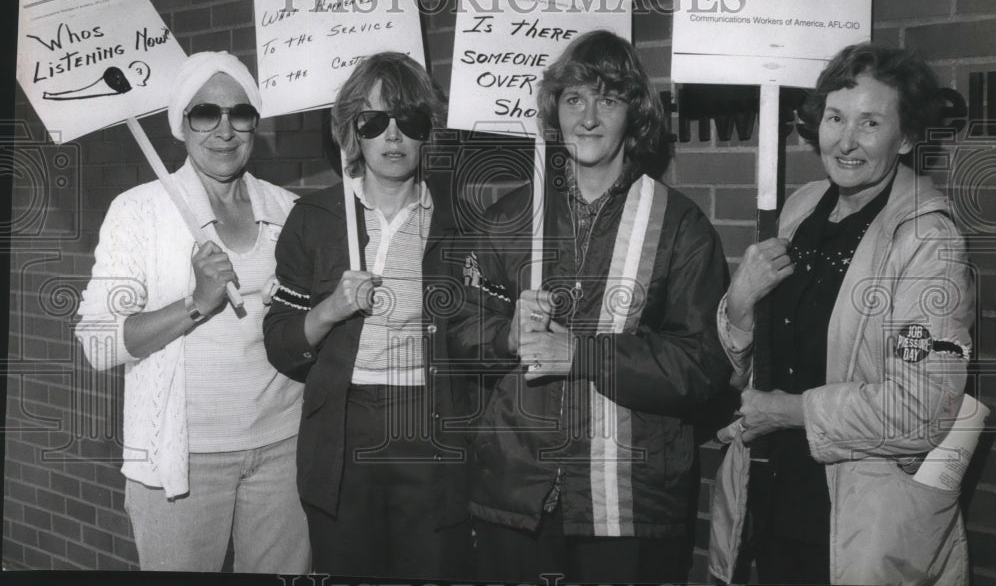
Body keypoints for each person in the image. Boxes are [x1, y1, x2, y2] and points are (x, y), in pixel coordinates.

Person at [451, 30, 732, 583]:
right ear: (555, 110)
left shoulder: (679, 226)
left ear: (635, 114)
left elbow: (703, 366)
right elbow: (457, 330)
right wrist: (506, 336)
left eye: (608, 99)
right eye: (574, 98)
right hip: (518, 496)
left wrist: (582, 355)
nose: (588, 117)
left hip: (629, 504)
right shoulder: (509, 218)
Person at [708, 44, 975, 585]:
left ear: (905, 138)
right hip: (770, 501)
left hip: (860, 527)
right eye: (835, 118)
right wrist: (738, 303)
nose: (845, 141)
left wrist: (784, 411)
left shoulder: (929, 242)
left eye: (870, 123)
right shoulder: (803, 206)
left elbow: (922, 409)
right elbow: (749, 360)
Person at [74, 52, 309, 572]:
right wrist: (195, 303)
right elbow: (97, 342)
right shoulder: (140, 212)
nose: (224, 130)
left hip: (283, 449)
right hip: (180, 458)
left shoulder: (287, 209)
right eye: (206, 113)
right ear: (181, 124)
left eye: (239, 113)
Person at [262, 52, 472, 579]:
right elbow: (282, 346)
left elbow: (479, 342)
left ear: (427, 133)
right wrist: (331, 309)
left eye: (409, 120)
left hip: (430, 426)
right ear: (353, 131)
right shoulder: (314, 219)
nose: (393, 135)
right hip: (343, 432)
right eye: (375, 121)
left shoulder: (459, 223)